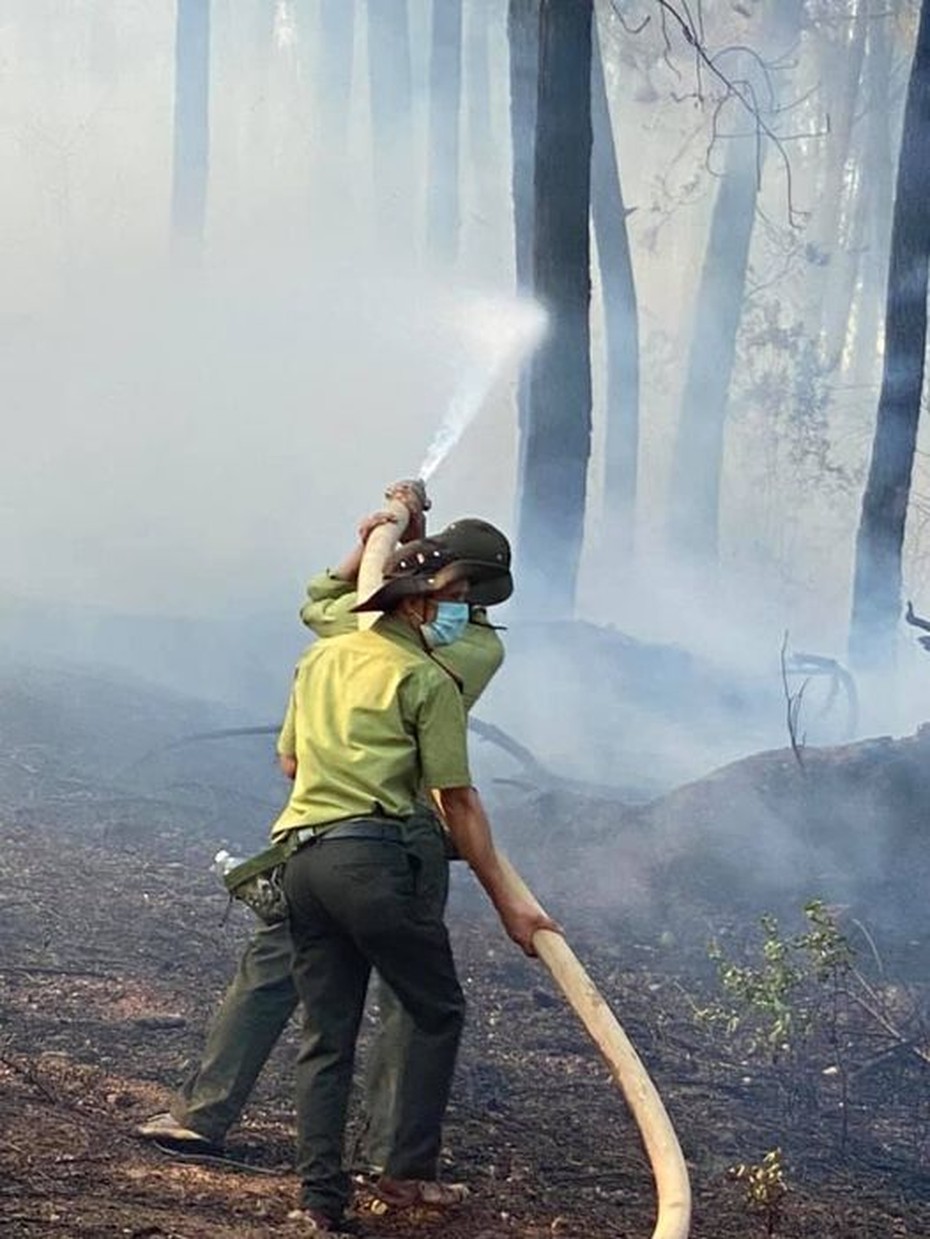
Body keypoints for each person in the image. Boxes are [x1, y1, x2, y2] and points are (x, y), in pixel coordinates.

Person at [137, 502, 511, 1169]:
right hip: (365, 833)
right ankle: (220, 1117)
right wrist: (378, 539)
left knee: (387, 996)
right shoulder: (413, 629)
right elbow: (324, 599)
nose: (451, 601)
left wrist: (394, 558)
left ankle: (374, 1153)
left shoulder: (472, 646)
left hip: (381, 828)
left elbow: (333, 611)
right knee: (294, 969)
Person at [277, 535, 557, 1236]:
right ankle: (405, 1173)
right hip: (372, 862)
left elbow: (288, 760)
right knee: (435, 1008)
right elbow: (456, 801)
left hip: (303, 862)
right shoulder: (429, 681)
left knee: (326, 1034)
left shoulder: (322, 658)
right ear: (421, 600)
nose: (463, 613)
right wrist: (510, 904)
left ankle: (317, 1203)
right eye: (458, 600)